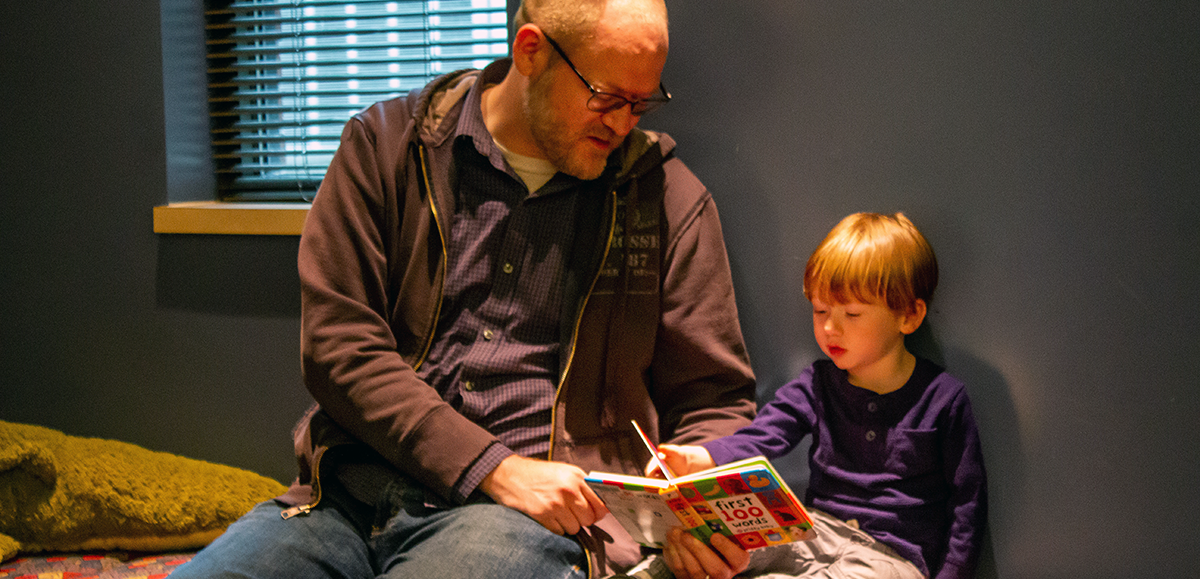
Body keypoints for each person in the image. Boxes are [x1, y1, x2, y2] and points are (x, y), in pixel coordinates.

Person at [171, 0, 757, 578]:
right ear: (531, 51)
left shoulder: (665, 199)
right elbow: (339, 349)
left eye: (642, 102)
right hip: (347, 494)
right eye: (606, 98)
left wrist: (702, 514)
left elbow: (714, 402)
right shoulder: (386, 149)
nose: (625, 122)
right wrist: (490, 466)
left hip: (525, 522)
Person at [657, 213, 988, 579]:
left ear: (908, 316)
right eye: (820, 310)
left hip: (891, 559)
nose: (831, 327)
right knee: (712, 541)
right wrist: (700, 457)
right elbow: (762, 437)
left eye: (852, 313)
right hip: (814, 532)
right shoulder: (816, 384)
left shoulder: (942, 398)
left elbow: (967, 505)